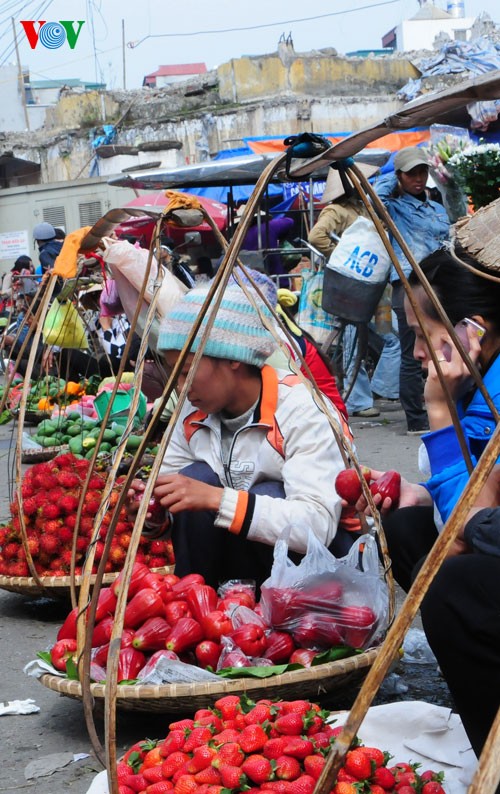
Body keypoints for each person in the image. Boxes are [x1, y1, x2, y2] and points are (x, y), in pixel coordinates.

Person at [132, 283, 356, 589]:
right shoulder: (190, 412)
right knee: (193, 479)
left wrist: (215, 499)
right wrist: (154, 514)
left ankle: (279, 622)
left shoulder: (302, 408)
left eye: (186, 372)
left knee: (264, 492)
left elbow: (316, 526)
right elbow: (179, 504)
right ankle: (201, 605)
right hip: (236, 558)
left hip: (318, 570)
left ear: (232, 359)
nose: (180, 387)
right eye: (174, 374)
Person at [308, 165, 400, 417]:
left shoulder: (364, 209)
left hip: (374, 287)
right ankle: (357, 401)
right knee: (352, 342)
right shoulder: (335, 210)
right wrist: (341, 256)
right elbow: (317, 236)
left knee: (392, 337)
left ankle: (383, 388)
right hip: (348, 286)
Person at [375, 146, 450, 434]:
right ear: (400, 178)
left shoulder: (437, 208)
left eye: (422, 172)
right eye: (410, 174)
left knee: (444, 348)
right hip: (408, 287)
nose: (418, 178)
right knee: (412, 353)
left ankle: (443, 408)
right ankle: (417, 419)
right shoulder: (393, 208)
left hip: (439, 286)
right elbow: (374, 198)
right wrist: (391, 175)